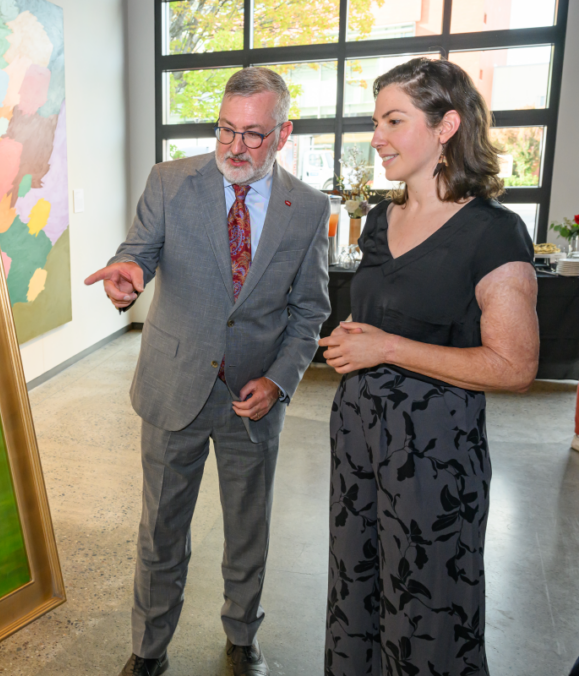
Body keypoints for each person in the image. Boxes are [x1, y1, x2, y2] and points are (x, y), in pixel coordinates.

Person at [86, 68, 331, 676]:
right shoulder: (170, 182)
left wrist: (279, 381)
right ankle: (148, 649)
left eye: (253, 134)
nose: (234, 147)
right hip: (174, 388)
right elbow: (138, 250)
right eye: (225, 129)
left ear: (283, 133)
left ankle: (243, 636)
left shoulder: (308, 209)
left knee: (248, 529)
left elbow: (310, 312)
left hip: (253, 398)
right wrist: (125, 278)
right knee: (161, 531)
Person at [319, 58, 538, 676]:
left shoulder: (494, 233)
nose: (377, 136)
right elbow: (387, 313)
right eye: (375, 120)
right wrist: (354, 337)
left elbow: (515, 366)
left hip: (435, 457)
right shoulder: (381, 222)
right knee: (356, 594)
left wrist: (386, 347)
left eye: (394, 120)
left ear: (446, 126)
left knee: (431, 608)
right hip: (359, 441)